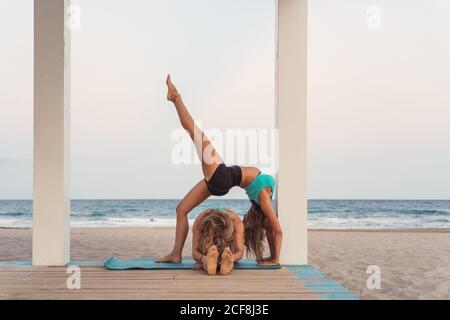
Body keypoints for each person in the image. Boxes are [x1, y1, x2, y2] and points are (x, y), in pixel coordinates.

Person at [157, 75, 282, 266]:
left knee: (195, 132)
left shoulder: (264, 198)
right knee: (181, 210)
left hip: (222, 176)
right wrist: (272, 255)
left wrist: (275, 259)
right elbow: (272, 229)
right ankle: (176, 254)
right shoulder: (263, 199)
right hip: (219, 181)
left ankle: (175, 97)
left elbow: (277, 230)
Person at [192, 208, 243, 275]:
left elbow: (195, 253)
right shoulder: (200, 222)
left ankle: (213, 263)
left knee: (226, 253)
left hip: (222, 240)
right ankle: (220, 264)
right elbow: (240, 252)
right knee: (212, 252)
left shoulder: (236, 222)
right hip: (209, 235)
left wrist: (202, 258)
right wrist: (204, 258)